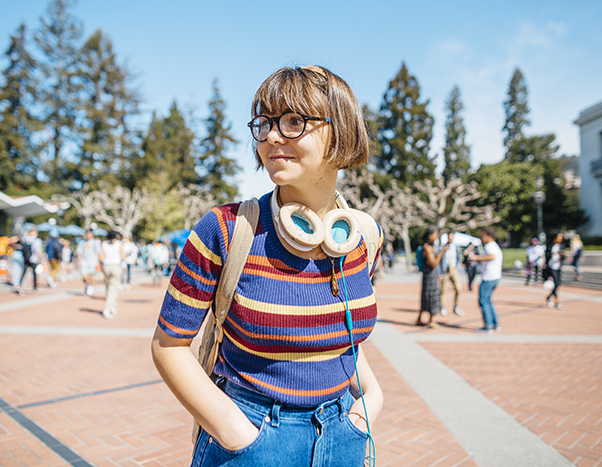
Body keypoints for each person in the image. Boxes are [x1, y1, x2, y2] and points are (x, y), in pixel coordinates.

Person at [151, 66, 383, 467]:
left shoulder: (361, 236)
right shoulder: (225, 229)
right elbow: (168, 346)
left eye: (294, 121)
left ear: (341, 129)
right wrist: (235, 432)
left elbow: (347, 335)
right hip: (252, 439)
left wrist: (369, 403)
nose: (272, 135)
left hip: (343, 433)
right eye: (264, 122)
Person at [469, 228, 503, 334]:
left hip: (489, 277)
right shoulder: (494, 246)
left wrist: (477, 258)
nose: (481, 237)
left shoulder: (490, 246)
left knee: (484, 301)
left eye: (483, 235)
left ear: (489, 236)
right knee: (488, 301)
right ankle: (495, 324)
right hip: (494, 277)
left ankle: (488, 326)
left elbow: (492, 256)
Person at [416, 228, 451, 328]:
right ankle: (431, 320)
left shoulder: (430, 247)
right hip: (430, 276)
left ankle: (419, 318)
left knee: (426, 296)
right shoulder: (427, 248)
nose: (436, 237)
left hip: (430, 275)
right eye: (435, 235)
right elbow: (433, 263)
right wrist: (442, 252)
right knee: (431, 296)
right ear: (430, 235)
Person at [100, 230, 125, 319]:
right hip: (116, 266)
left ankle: (113, 305)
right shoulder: (118, 244)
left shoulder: (103, 244)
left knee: (108, 287)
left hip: (106, 266)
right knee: (113, 288)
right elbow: (122, 257)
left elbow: (101, 257)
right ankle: (107, 308)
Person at [438, 232, 464, 317]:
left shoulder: (456, 247)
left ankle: (456, 306)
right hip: (445, 270)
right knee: (443, 290)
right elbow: (440, 259)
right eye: (449, 237)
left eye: (452, 236)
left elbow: (459, 257)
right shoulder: (443, 247)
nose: (451, 238)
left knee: (458, 288)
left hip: (454, 270)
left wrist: (458, 266)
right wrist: (440, 272)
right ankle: (442, 307)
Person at [77, 230, 101, 297]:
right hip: (84, 261)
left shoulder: (95, 242)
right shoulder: (82, 242)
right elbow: (80, 253)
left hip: (92, 262)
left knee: (91, 276)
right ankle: (86, 285)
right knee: (84, 276)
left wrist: (98, 262)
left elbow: (98, 253)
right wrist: (78, 261)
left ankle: (90, 288)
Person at [19, 227, 42, 293]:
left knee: (24, 272)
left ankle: (22, 285)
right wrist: (40, 259)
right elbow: (38, 251)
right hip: (34, 259)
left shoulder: (26, 239)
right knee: (34, 273)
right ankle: (34, 287)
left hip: (26, 258)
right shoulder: (37, 241)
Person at [545, 232, 565, 309]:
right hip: (551, 267)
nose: (560, 239)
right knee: (556, 284)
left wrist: (562, 255)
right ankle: (557, 302)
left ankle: (548, 297)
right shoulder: (550, 246)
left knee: (558, 284)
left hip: (558, 266)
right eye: (559, 237)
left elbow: (563, 257)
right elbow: (547, 256)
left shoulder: (561, 246)